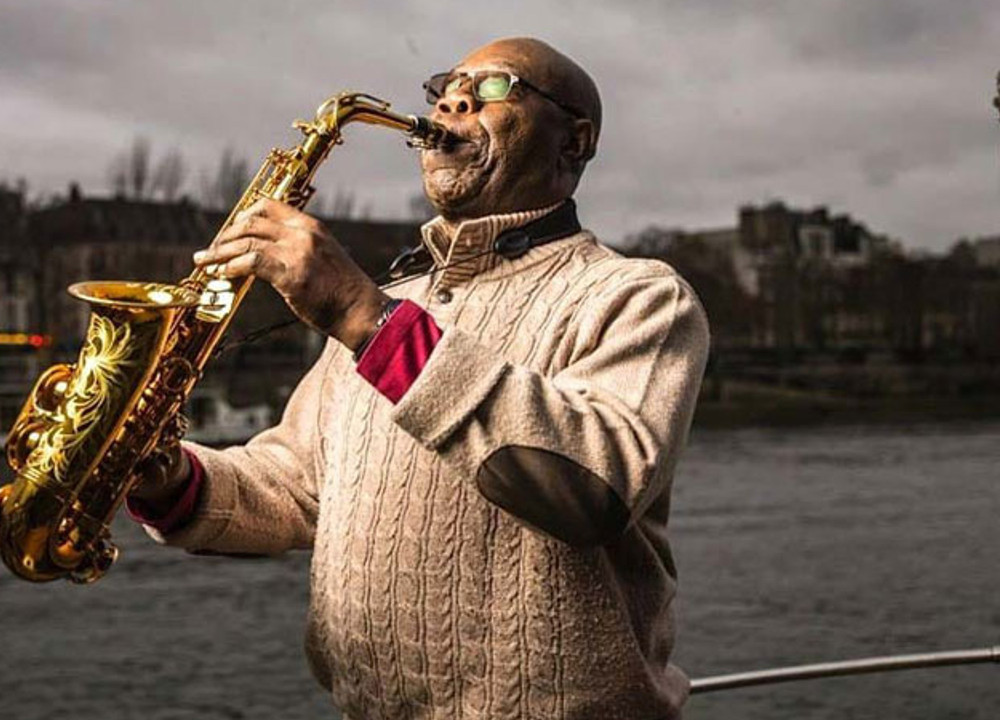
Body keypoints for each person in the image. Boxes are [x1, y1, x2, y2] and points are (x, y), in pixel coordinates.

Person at [127, 36, 710, 720]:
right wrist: (168, 478)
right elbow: (298, 484)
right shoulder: (393, 298)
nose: (454, 100)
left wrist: (362, 318)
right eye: (446, 87)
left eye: (496, 89)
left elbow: (593, 487)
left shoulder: (637, 295)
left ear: (574, 142)